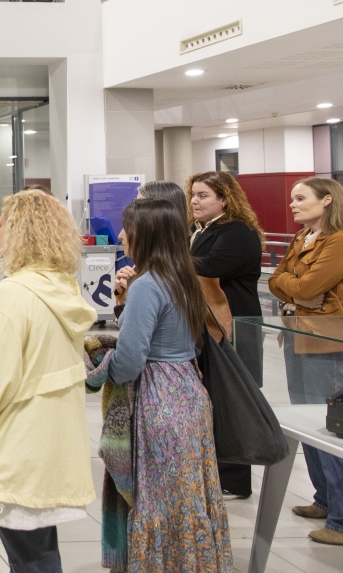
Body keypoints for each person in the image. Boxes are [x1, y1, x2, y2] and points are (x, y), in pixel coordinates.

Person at [0, 189, 96, 573]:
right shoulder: (59, 287)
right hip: (46, 442)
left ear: (24, 233)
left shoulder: (14, 296)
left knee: (30, 556)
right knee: (38, 547)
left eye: (4, 226)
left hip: (17, 445)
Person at [106, 199, 232, 570]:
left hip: (158, 398)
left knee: (157, 497)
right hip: (189, 392)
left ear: (146, 234)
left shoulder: (148, 284)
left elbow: (129, 360)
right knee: (190, 495)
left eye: (127, 227)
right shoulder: (182, 277)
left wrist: (99, 369)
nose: (122, 235)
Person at [268, 177, 343, 547]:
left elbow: (308, 288)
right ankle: (325, 499)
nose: (293, 204)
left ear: (327, 200)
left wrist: (299, 288)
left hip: (330, 341)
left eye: (301, 198)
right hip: (298, 336)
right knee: (308, 425)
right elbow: (275, 281)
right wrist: (300, 288)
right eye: (292, 199)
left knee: (332, 428)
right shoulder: (301, 239)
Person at [184, 171, 265, 501]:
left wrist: (172, 260)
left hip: (235, 326)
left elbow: (210, 265)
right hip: (209, 325)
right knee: (213, 400)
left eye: (203, 195)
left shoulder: (238, 231)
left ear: (225, 199)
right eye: (193, 195)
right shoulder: (200, 230)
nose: (194, 201)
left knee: (233, 401)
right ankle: (216, 473)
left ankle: (235, 480)